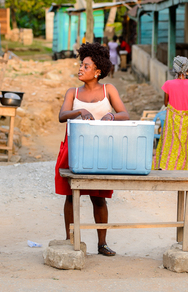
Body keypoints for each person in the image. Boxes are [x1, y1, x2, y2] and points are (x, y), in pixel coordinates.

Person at [54, 42, 130, 256]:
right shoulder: (73, 92)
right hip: (75, 148)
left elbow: (125, 114)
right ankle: (70, 239)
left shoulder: (109, 90)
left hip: (100, 149)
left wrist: (112, 115)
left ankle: (102, 243)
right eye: (81, 64)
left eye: (86, 66)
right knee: (70, 195)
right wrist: (80, 112)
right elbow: (62, 116)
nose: (80, 68)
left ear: (97, 72)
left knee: (99, 197)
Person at [152, 56, 188, 170]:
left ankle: (167, 165)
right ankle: (183, 167)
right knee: (185, 144)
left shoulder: (168, 84)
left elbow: (165, 103)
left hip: (172, 119)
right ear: (187, 68)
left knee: (170, 142)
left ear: (174, 69)